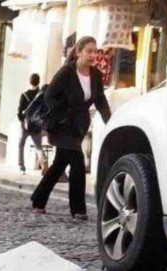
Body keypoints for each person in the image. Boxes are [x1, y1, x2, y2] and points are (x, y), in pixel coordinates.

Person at [30, 36, 111, 220]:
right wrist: (63, 115)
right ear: (79, 51)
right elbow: (50, 95)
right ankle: (78, 209)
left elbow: (100, 102)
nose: (93, 55)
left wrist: (111, 122)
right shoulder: (67, 71)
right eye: (89, 51)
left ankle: (38, 199)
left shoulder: (96, 75)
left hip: (79, 128)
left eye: (95, 51)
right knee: (77, 162)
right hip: (62, 126)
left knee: (59, 164)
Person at [17, 73, 45, 174]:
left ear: (30, 81)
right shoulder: (41, 94)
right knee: (38, 146)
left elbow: (19, 111)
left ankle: (21, 166)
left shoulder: (24, 95)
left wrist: (22, 120)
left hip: (26, 124)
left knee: (21, 144)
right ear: (38, 82)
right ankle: (43, 162)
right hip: (37, 124)